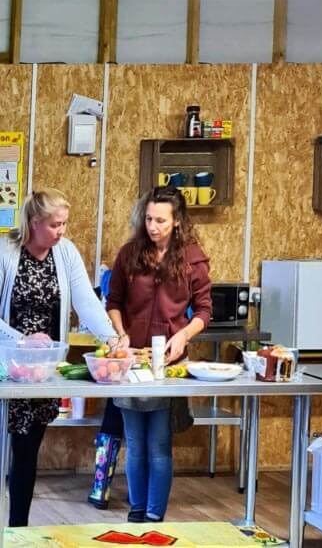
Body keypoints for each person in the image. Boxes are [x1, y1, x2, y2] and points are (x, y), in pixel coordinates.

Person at [0, 189, 119, 526]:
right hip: (6, 367)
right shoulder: (5, 252)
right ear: (34, 223)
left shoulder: (64, 253)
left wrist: (111, 338)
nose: (62, 231)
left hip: (41, 373)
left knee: (26, 452)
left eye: (64, 223)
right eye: (55, 225)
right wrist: (21, 340)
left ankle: (17, 530)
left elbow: (85, 302)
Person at [106, 187, 211, 523]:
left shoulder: (193, 258)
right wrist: (119, 335)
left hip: (169, 364)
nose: (153, 226)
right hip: (131, 361)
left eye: (161, 221)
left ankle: (155, 515)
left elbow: (204, 311)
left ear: (177, 222)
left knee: (159, 445)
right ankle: (137, 512)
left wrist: (183, 335)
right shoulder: (129, 254)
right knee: (135, 442)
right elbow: (114, 303)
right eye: (149, 219)